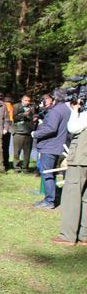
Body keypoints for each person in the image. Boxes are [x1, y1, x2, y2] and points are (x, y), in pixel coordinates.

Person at [32, 88, 72, 208]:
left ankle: (49, 200)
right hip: (59, 145)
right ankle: (52, 196)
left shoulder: (56, 111)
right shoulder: (66, 109)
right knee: (52, 173)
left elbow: (51, 128)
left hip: (50, 146)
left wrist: (35, 134)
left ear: (55, 98)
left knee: (47, 173)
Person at [55, 102, 87, 245]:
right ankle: (84, 234)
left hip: (81, 159)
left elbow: (73, 128)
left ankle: (67, 236)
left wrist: (75, 110)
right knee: (86, 198)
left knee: (71, 197)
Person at [11, 95, 36, 172]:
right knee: (17, 151)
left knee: (27, 151)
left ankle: (25, 167)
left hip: (29, 131)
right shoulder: (16, 106)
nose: (27, 102)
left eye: (29, 100)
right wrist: (23, 115)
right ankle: (16, 167)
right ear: (22, 100)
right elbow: (14, 117)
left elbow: (34, 117)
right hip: (18, 131)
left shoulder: (32, 107)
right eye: (25, 100)